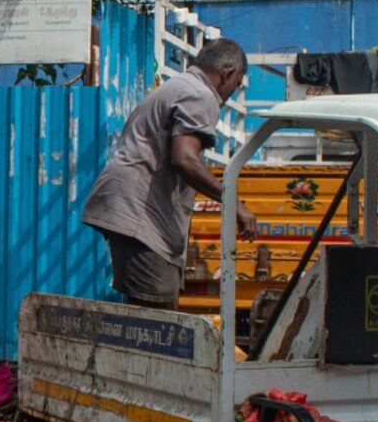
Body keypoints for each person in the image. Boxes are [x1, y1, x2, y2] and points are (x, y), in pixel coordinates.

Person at [81, 39, 257, 307]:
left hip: (131, 206)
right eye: (238, 82)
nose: (234, 90)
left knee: (150, 310)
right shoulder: (201, 94)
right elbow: (184, 159)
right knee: (159, 311)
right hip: (140, 212)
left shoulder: (178, 86)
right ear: (227, 72)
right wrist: (235, 204)